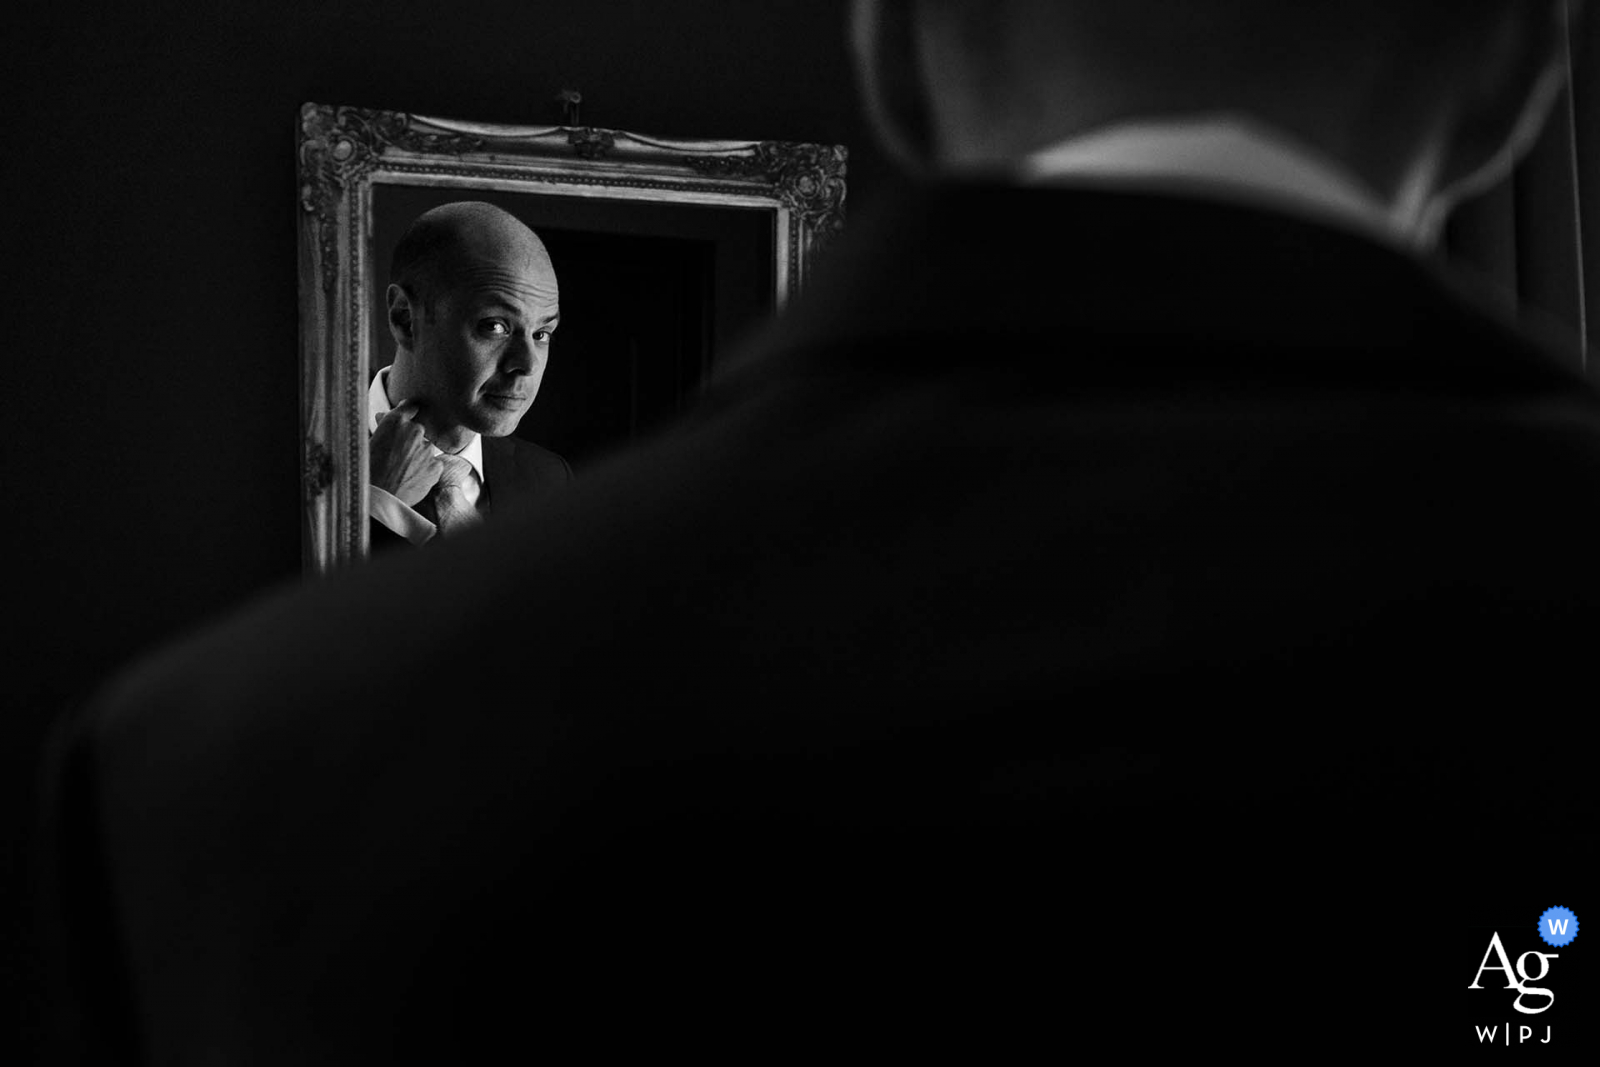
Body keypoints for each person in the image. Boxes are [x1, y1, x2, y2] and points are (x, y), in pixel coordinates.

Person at [43, 1, 1599, 1061]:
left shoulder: (215, 773)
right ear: (1524, 65)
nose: (520, 369)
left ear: (897, 49)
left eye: (546, 336)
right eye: (496, 332)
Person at [368, 201, 570, 550]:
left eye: (541, 334)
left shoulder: (550, 479)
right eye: (494, 326)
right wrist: (377, 504)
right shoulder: (299, 460)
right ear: (404, 319)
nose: (526, 364)